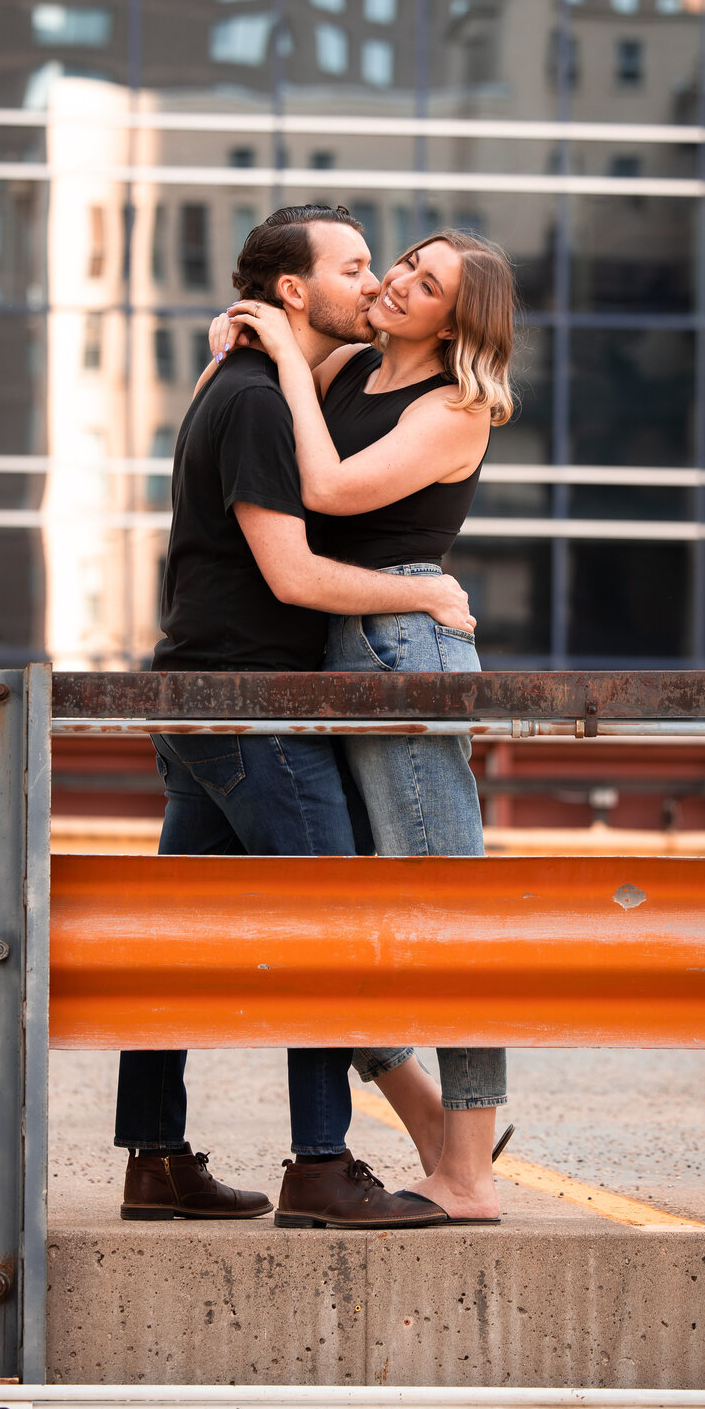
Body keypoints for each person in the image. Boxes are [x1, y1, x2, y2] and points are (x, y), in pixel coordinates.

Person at [115, 204, 477, 1231]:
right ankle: (321, 1167)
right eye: (356, 267)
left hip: (199, 699)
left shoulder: (252, 387)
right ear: (292, 293)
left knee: (176, 943)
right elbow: (291, 570)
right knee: (331, 926)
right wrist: (427, 594)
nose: (373, 284)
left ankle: (156, 1159)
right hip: (251, 709)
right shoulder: (262, 404)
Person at [219, 227, 517, 1224]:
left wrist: (295, 382)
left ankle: (467, 1174)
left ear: (454, 321)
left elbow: (330, 491)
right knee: (339, 907)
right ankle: (432, 1127)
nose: (395, 281)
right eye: (403, 263)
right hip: (333, 650)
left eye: (424, 284)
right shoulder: (348, 363)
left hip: (404, 643)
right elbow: (252, 371)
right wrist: (242, 331)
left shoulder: (454, 407)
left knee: (444, 906)